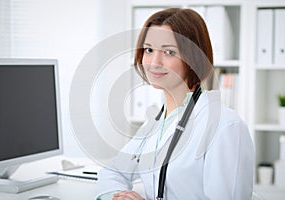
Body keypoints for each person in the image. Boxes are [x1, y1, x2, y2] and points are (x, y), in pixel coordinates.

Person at [95, 8, 254, 200]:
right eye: (149, 50)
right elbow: (113, 171)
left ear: (194, 57)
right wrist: (117, 196)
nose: (154, 62)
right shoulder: (156, 121)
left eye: (169, 52)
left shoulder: (224, 126)